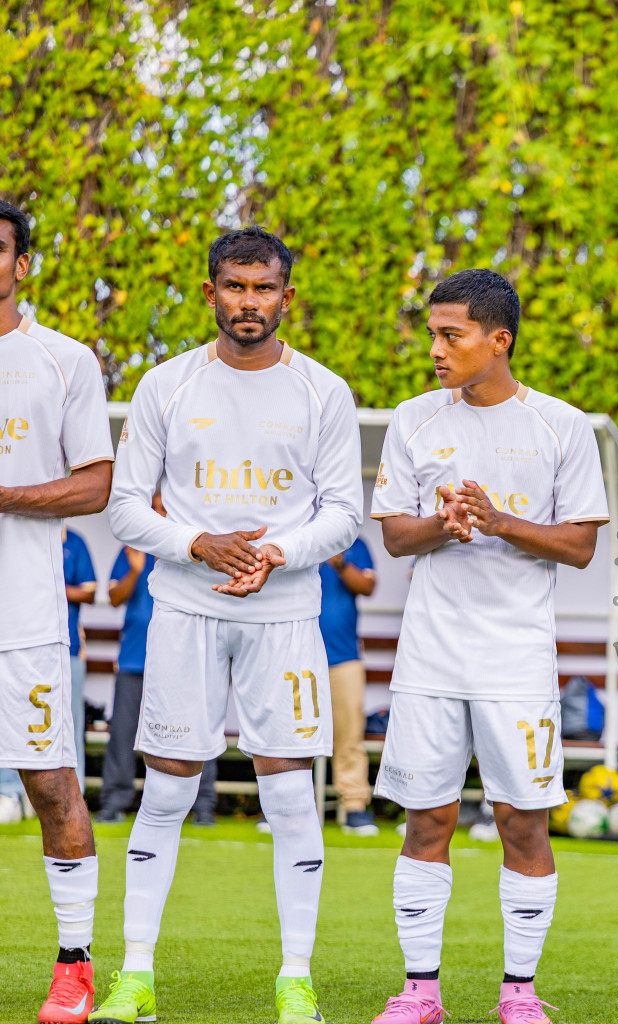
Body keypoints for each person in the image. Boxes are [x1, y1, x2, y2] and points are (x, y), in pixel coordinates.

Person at [93, 227, 362, 1024]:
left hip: (285, 614)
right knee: (168, 790)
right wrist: (197, 543)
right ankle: (135, 976)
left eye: (264, 288)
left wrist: (274, 553)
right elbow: (124, 508)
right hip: (183, 608)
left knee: (288, 796)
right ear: (210, 292)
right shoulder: (166, 386)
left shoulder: (323, 391)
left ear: (287, 296)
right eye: (236, 287)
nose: (250, 302)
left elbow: (345, 515)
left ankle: (295, 978)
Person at [368, 269, 609, 1024]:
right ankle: (419, 992)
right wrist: (450, 523)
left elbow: (578, 547)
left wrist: (500, 521)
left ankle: (519, 993)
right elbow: (396, 535)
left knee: (521, 821)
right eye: (433, 334)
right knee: (427, 818)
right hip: (430, 657)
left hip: (516, 660)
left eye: (452, 335)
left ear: (497, 340)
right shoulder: (413, 419)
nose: (435, 350)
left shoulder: (562, 426)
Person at [0, 198, 115, 1023]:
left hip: (23, 616)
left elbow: (94, 484)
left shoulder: (63, 361)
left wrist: (2, 494)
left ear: (21, 264)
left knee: (50, 784)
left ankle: (73, 966)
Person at [97, 492, 217, 826]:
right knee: (122, 733)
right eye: (156, 508)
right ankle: (114, 801)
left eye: (165, 508)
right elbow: (114, 597)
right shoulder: (135, 546)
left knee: (198, 732)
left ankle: (203, 805)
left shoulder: (196, 547)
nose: (160, 513)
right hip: (136, 659)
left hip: (185, 658)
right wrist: (135, 571)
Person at [319, 535, 377, 835]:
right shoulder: (291, 530)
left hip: (344, 656)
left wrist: (340, 563)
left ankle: (355, 806)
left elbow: (367, 586)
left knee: (350, 736)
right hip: (294, 654)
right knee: (288, 735)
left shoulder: (354, 542)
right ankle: (282, 805)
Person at [63, 526, 98, 789]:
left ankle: (76, 790)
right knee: (14, 718)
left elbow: (89, 591)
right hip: (24, 646)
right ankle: (11, 794)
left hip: (70, 647)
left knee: (71, 722)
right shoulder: (23, 539)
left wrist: (49, 586)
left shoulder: (74, 541)